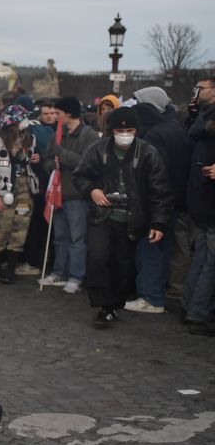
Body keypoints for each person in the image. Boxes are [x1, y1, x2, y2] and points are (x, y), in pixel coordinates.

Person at [72, 107, 171, 329]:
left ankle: (113, 306)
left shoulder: (148, 153)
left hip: (131, 218)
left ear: (137, 130)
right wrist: (92, 191)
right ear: (111, 130)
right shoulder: (98, 149)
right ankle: (102, 304)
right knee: (97, 256)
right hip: (102, 215)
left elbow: (160, 192)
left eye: (130, 129)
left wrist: (158, 222)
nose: (124, 133)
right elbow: (80, 176)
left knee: (121, 264)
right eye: (119, 129)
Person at [123, 87, 188, 314]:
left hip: (154, 203)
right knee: (160, 249)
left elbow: (154, 174)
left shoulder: (154, 134)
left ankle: (151, 297)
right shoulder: (174, 127)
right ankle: (153, 294)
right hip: (170, 201)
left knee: (150, 250)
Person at [40, 96, 100, 293]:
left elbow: (88, 164)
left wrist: (62, 155)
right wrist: (51, 165)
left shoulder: (88, 135)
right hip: (58, 194)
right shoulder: (57, 134)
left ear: (69, 113)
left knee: (77, 239)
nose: (55, 117)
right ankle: (59, 272)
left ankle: (76, 276)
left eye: (58, 113)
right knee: (60, 237)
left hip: (77, 196)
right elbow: (47, 159)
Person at [0, 105, 37, 284]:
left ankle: (10, 269)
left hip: (25, 190)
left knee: (21, 228)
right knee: (2, 228)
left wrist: (35, 160)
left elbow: (33, 164)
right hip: (4, 190)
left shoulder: (30, 139)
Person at [182, 77, 215, 336]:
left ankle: (190, 306)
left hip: (200, 198)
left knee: (203, 257)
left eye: (200, 88)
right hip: (208, 199)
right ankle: (199, 312)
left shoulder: (201, 120)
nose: (196, 92)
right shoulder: (204, 120)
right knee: (209, 261)